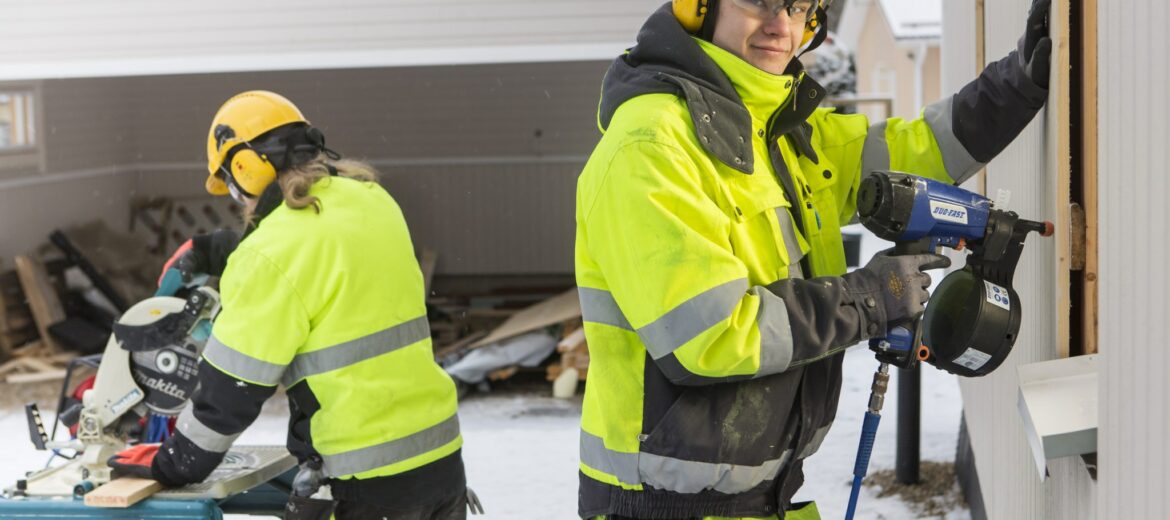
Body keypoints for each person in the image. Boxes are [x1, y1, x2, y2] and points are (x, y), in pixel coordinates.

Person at [574, 0, 1051, 518]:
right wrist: (870, 299)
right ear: (699, 7)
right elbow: (711, 337)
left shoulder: (780, 134)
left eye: (799, 6)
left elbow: (918, 152)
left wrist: (1017, 85)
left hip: (762, 499)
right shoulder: (653, 144)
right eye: (760, 1)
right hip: (660, 508)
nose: (782, 24)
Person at [108, 91, 481, 519]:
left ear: (246, 169)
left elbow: (229, 395)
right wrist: (219, 249)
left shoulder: (269, 254)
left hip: (363, 485)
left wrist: (172, 463)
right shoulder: (373, 201)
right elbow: (321, 250)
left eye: (232, 187)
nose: (239, 203)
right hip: (439, 465)